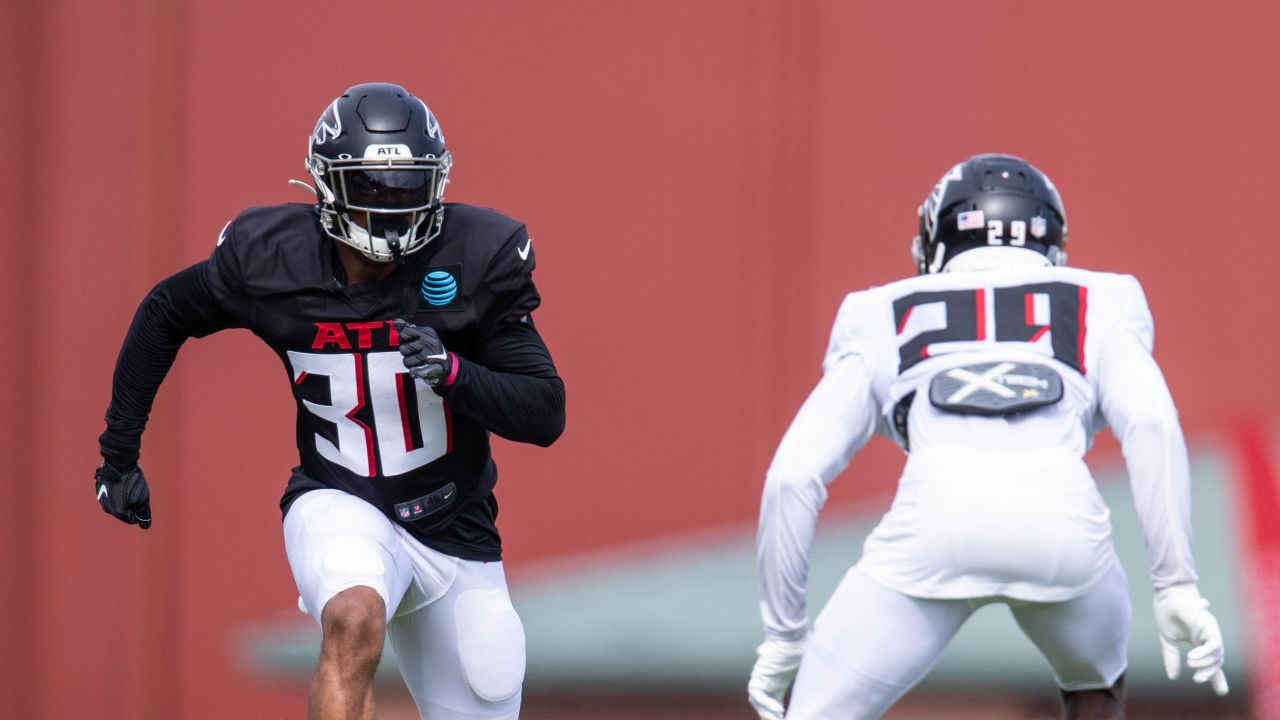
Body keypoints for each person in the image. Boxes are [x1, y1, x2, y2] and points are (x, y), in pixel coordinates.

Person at [93, 82, 565, 720]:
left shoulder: (478, 255)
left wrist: (455, 373)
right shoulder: (270, 258)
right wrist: (118, 454)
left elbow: (545, 413)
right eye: (371, 187)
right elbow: (164, 313)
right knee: (354, 613)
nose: (392, 207)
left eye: (408, 189)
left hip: (455, 521)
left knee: (488, 679)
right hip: (338, 492)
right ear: (326, 185)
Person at [748, 153, 1227, 720]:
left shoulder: (875, 312)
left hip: (930, 525)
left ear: (938, 237)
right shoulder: (1105, 297)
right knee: (1095, 687)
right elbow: (1150, 423)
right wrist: (1176, 584)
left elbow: (791, 478)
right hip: (1064, 525)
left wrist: (784, 632)